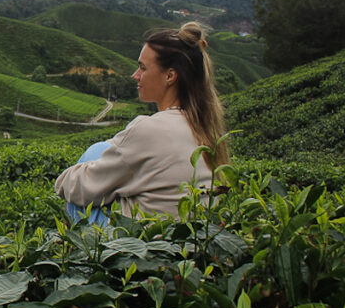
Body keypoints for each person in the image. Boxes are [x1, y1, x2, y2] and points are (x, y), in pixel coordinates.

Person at [54, 22, 228, 222]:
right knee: (104, 150)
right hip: (186, 236)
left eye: (142, 68)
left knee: (95, 152)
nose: (135, 75)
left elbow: (76, 188)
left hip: (141, 239)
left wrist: (64, 179)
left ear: (170, 76)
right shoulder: (206, 128)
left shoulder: (150, 129)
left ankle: (74, 235)